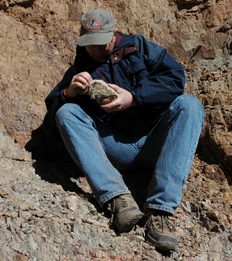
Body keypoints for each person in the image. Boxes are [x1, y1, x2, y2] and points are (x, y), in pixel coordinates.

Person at [42, 8, 204, 252]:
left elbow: (175, 79)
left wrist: (134, 97)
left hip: (155, 143)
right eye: (88, 43)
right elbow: (52, 120)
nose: (93, 50)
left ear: (114, 33)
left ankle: (160, 213)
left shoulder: (139, 47)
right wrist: (69, 93)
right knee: (66, 112)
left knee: (190, 105)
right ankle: (117, 199)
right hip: (115, 148)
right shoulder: (82, 65)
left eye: (99, 43)